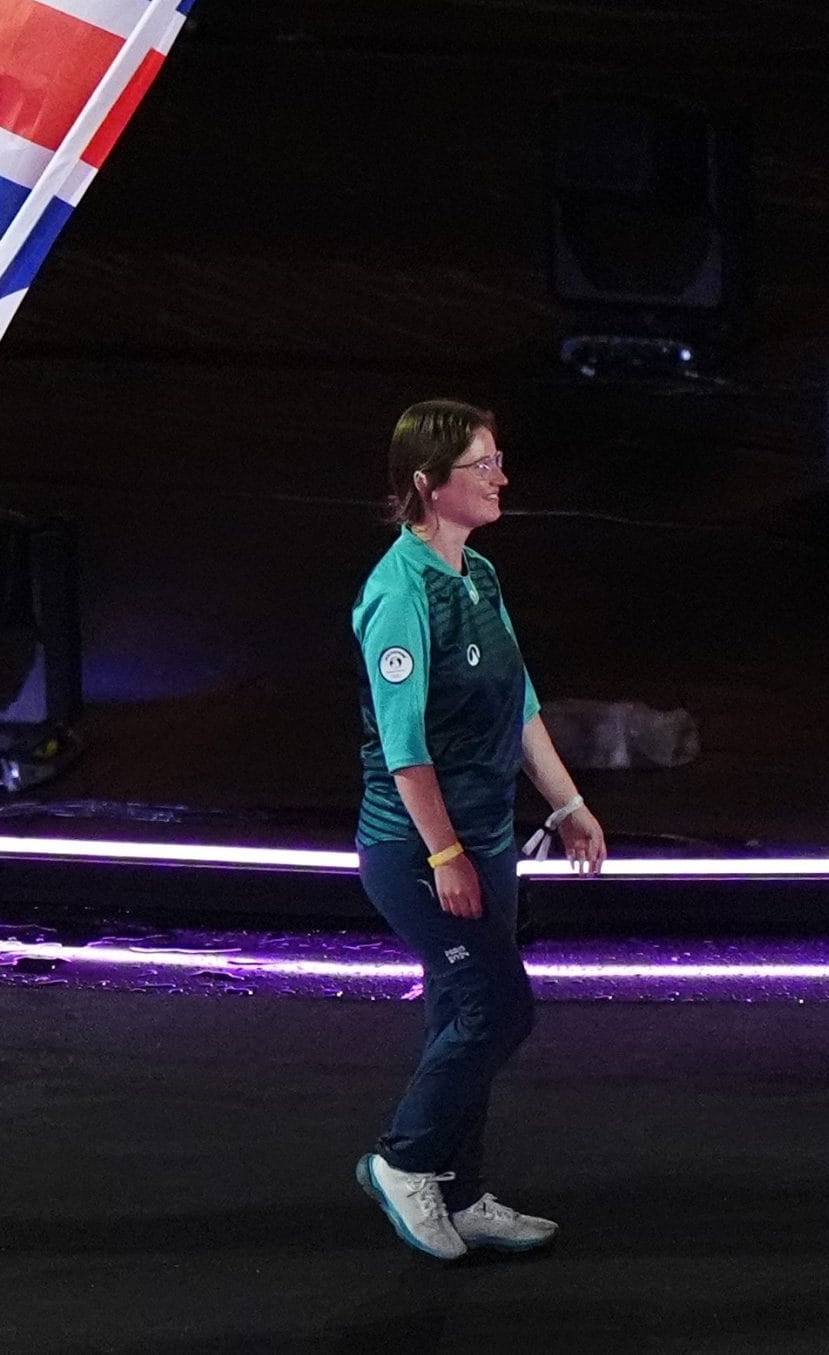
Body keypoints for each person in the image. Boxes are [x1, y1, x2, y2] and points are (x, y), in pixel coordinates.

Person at [349, 399, 607, 1261]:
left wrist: (567, 805)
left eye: (499, 461)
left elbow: (519, 701)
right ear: (427, 485)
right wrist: (446, 853)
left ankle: (460, 1193)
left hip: (488, 840)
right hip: (417, 849)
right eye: (483, 465)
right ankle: (404, 1161)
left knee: (465, 1008)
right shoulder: (397, 593)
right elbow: (404, 748)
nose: (501, 477)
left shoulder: (480, 575)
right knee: (499, 1006)